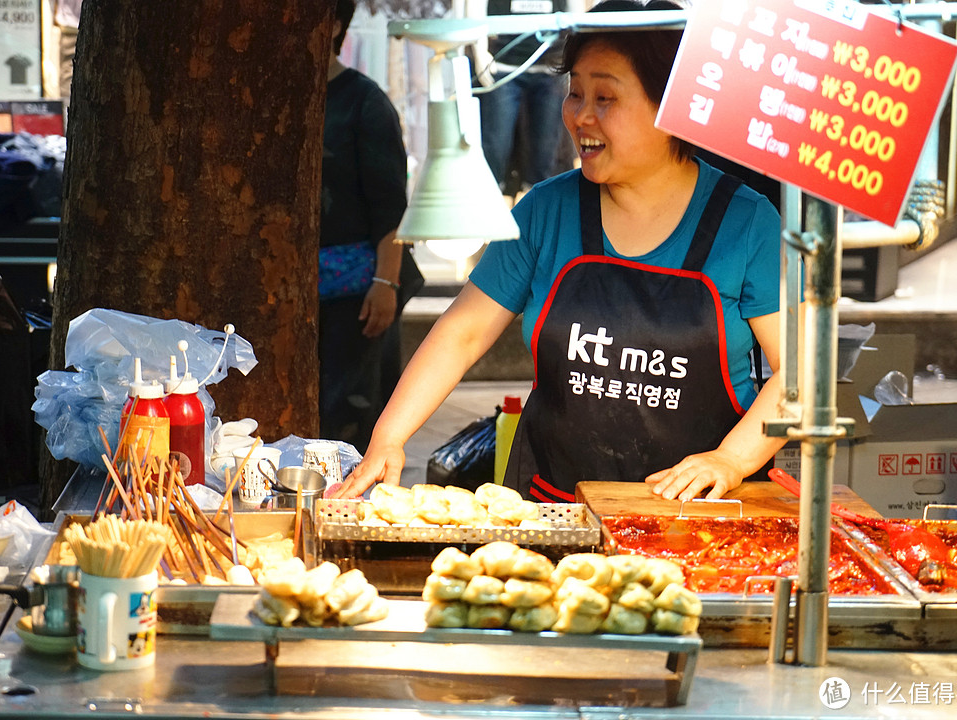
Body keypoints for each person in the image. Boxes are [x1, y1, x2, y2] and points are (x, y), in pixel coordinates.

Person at [335, 0, 789, 502]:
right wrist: (389, 437)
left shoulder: (746, 222)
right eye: (575, 93)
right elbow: (462, 334)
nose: (580, 116)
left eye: (605, 98)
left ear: (672, 109)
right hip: (554, 507)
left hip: (695, 521)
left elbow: (799, 376)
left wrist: (732, 459)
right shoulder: (546, 210)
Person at [318, 0, 409, 454]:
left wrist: (385, 281)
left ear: (334, 24)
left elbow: (391, 206)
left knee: (348, 413)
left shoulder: (365, 102)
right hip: (298, 293)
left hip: (357, 293)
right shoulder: (278, 102)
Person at [461, 0, 584, 195]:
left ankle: (538, 217)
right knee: (495, 148)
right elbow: (476, 5)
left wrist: (574, 58)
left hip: (551, 64)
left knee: (545, 152)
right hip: (502, 64)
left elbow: (576, 10)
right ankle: (490, 213)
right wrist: (479, 50)